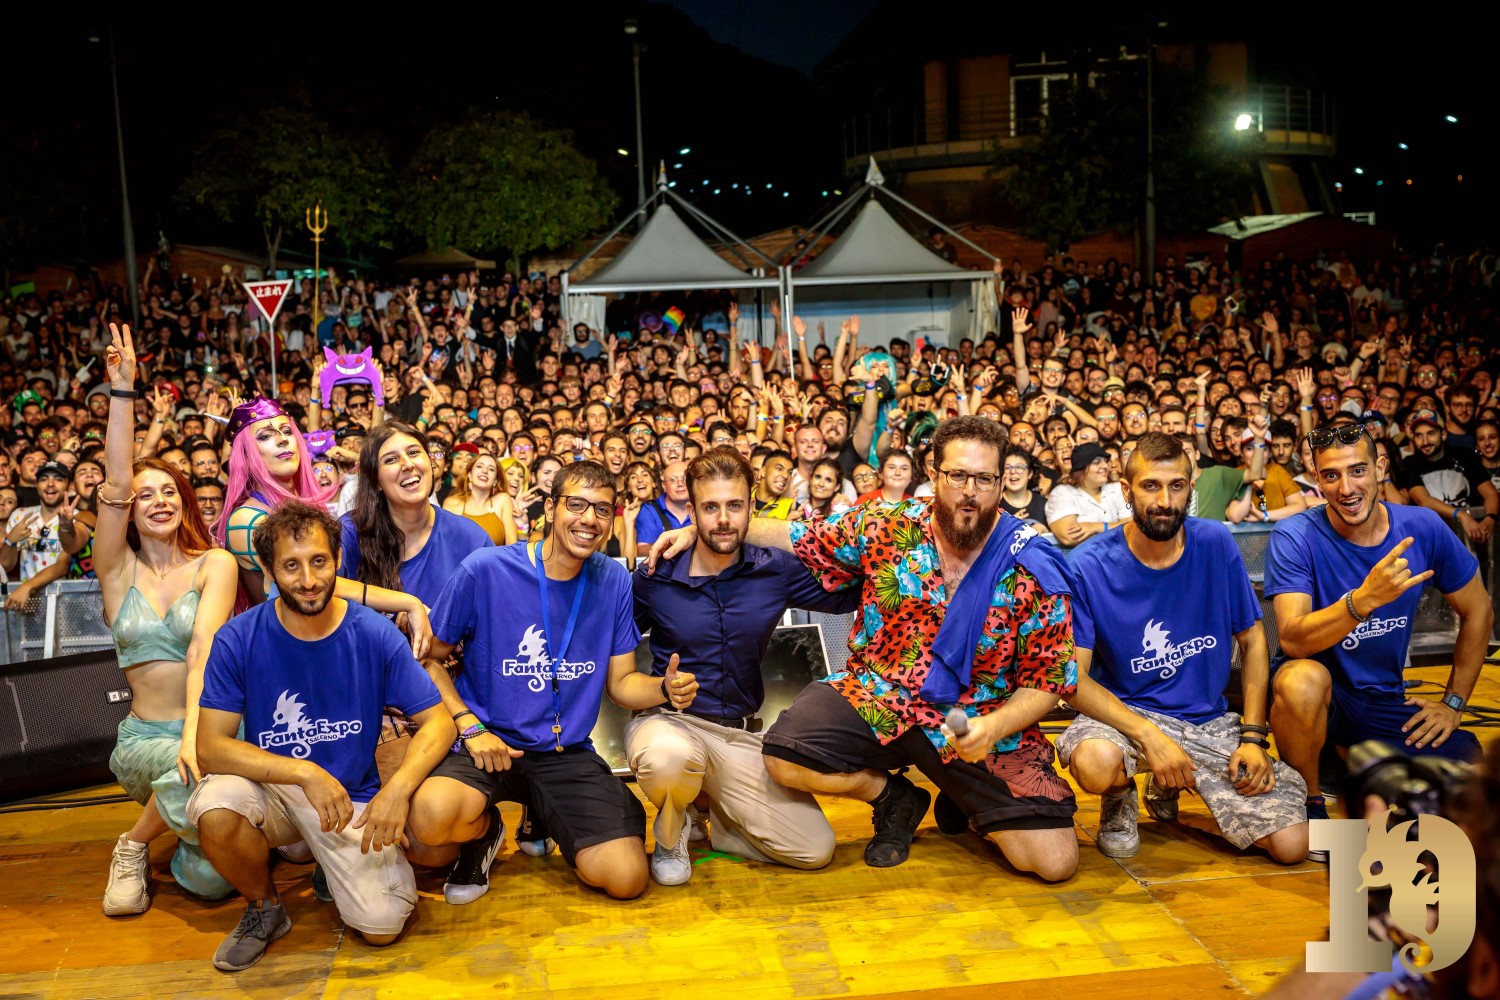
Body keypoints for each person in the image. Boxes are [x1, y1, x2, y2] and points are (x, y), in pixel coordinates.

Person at [649, 416, 1081, 880]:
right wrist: (704, 531)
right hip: (878, 694)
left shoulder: (1031, 562)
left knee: (1054, 862)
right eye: (957, 475)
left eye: (984, 478)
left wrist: (994, 727)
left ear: (1002, 480)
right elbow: (796, 535)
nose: (969, 492)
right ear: (933, 473)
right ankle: (895, 797)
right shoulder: (885, 526)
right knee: (784, 756)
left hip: (975, 716)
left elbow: (1050, 679)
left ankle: (965, 800)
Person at [406, 461, 693, 903]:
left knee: (627, 878)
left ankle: (543, 812)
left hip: (564, 751)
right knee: (428, 827)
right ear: (550, 509)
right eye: (576, 505)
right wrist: (468, 724)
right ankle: (485, 833)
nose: (589, 519)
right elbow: (428, 660)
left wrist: (664, 690)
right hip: (486, 743)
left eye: (602, 509)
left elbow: (621, 684)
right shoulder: (485, 569)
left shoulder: (613, 579)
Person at [188, 501, 454, 971]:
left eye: (319, 561)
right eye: (291, 566)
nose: (309, 580)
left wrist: (397, 791)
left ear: (337, 561)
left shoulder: (372, 632)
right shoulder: (238, 638)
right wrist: (304, 772)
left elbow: (439, 722)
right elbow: (209, 748)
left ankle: (324, 862)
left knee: (382, 926)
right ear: (268, 569)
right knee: (215, 806)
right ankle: (264, 908)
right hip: (275, 786)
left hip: (350, 797)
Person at [1058, 433, 1309, 863]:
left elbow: (1252, 641)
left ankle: (1171, 797)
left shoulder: (1214, 541)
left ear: (1190, 489)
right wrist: (1149, 736)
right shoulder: (1087, 563)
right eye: (1150, 486)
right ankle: (1120, 796)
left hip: (1205, 721)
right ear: (1126, 491)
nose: (1164, 501)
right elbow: (1073, 680)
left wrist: (1253, 737)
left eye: (1176, 486)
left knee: (1292, 847)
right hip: (1126, 717)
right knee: (1096, 762)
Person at [630, 447, 860, 885]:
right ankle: (673, 829)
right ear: (691, 511)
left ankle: (720, 819)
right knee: (667, 759)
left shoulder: (776, 570)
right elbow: (610, 645)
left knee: (814, 850)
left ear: (751, 508)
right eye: (710, 508)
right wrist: (656, 687)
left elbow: (850, 588)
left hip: (739, 733)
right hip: (670, 723)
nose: (722, 519)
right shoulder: (656, 576)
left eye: (734, 506)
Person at [1266, 423, 1492, 838]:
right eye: (1331, 475)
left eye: (1357, 471)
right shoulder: (1295, 535)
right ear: (1317, 479)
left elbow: (1479, 611)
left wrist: (1453, 703)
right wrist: (1363, 600)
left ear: (1380, 468)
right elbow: (1293, 639)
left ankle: (1351, 762)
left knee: (1472, 772)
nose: (1346, 488)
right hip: (1323, 698)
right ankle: (1308, 799)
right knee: (1302, 680)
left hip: (1382, 698)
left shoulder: (1422, 526)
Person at [93, 321, 241, 914]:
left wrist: (195, 737)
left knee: (212, 882)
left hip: (208, 729)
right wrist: (123, 389)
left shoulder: (215, 564)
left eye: (169, 491)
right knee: (194, 782)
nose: (158, 501)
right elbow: (115, 482)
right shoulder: (116, 571)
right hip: (143, 740)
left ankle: (184, 833)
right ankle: (132, 845)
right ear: (131, 511)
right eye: (146, 494)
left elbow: (203, 648)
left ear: (184, 501)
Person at [1401, 407, 1499, 545]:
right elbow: (1423, 500)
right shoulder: (1410, 463)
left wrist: (1490, 519)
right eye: (1419, 435)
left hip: (1469, 538)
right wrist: (1461, 515)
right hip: (1433, 539)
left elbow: (1490, 493)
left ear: (1444, 434)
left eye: (1431, 433)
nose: (1425, 441)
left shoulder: (1464, 456)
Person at [1, 459, 87, 608]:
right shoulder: (20, 515)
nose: (50, 484)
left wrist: (28, 586)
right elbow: (5, 566)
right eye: (44, 479)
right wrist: (10, 541)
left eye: (58, 479)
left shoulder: (76, 518)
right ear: (36, 484)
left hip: (64, 603)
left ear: (69, 485)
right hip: (25, 603)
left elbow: (63, 565)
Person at [1044, 442, 1131, 546]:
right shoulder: (1062, 493)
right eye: (1097, 462)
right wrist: (1117, 528)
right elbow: (1070, 537)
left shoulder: (1117, 489)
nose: (1105, 466)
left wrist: (1094, 527)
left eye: (1105, 461)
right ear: (1081, 469)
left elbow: (1131, 528)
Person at [441, 451, 517, 546]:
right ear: (470, 475)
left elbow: (512, 544)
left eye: (491, 469)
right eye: (479, 466)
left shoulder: (502, 500)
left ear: (496, 480)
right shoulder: (452, 503)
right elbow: (444, 545)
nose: (484, 471)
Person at [633, 460, 692, 555]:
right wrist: (674, 545)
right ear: (664, 486)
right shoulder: (650, 510)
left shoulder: (702, 508)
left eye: (684, 479)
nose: (680, 484)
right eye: (673, 480)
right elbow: (642, 550)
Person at [999, 447, 1048, 526]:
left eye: (1019, 467)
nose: (1013, 471)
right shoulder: (994, 505)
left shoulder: (1044, 504)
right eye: (1007, 467)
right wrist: (1009, 526)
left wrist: (1044, 530)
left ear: (1030, 473)